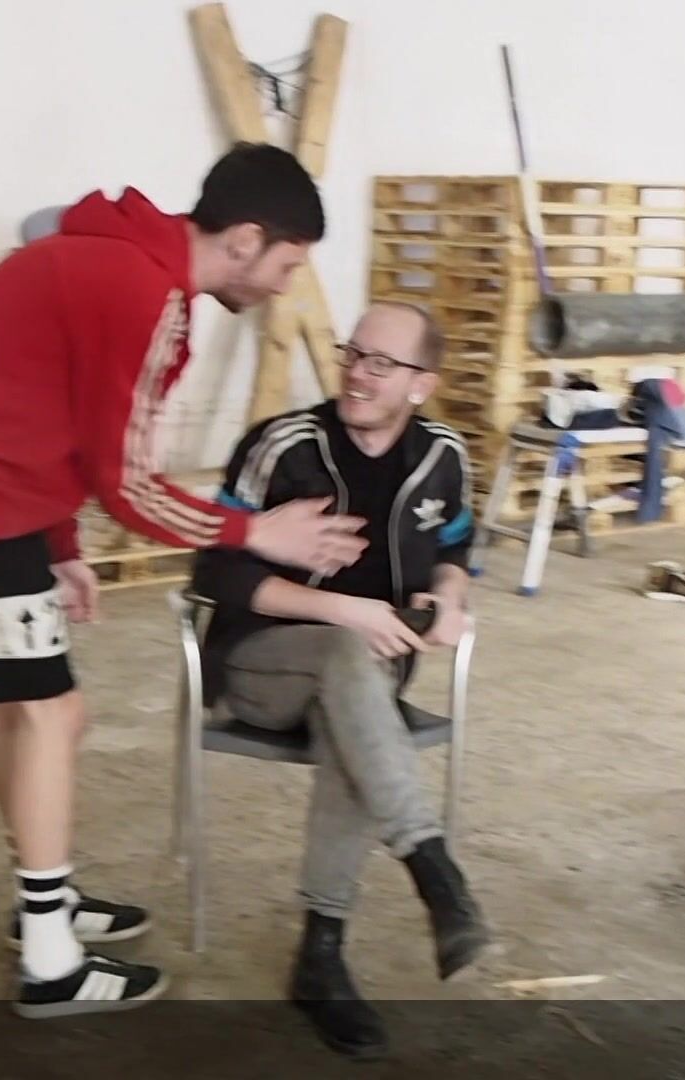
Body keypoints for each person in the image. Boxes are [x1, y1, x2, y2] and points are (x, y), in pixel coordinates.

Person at [0, 142, 368, 1019]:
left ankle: (40, 902)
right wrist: (256, 531)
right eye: (288, 264)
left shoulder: (123, 264)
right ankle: (50, 961)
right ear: (245, 240)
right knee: (51, 713)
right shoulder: (141, 289)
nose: (285, 285)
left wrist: (60, 542)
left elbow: (56, 410)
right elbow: (131, 485)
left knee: (28, 707)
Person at [189, 300, 492, 1059]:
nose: (358, 373)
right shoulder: (284, 444)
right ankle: (430, 867)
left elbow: (455, 548)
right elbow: (213, 571)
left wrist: (450, 596)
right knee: (346, 663)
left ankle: (320, 957)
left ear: (421, 383)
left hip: (370, 669)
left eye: (381, 363)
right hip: (262, 663)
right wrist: (340, 609)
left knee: (352, 709)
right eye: (353, 353)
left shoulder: (444, 456)